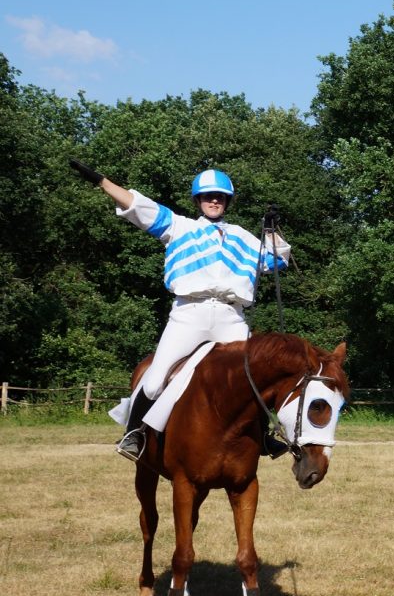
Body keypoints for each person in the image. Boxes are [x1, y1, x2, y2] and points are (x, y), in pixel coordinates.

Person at [68, 160, 290, 461]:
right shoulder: (178, 226)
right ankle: (134, 434)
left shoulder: (245, 238)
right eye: (208, 196)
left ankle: (262, 437)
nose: (214, 200)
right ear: (198, 200)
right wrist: (101, 181)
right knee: (157, 376)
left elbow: (276, 263)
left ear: (227, 201)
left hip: (231, 316)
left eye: (220, 196)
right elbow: (138, 205)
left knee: (253, 377)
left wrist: (272, 229)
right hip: (190, 313)